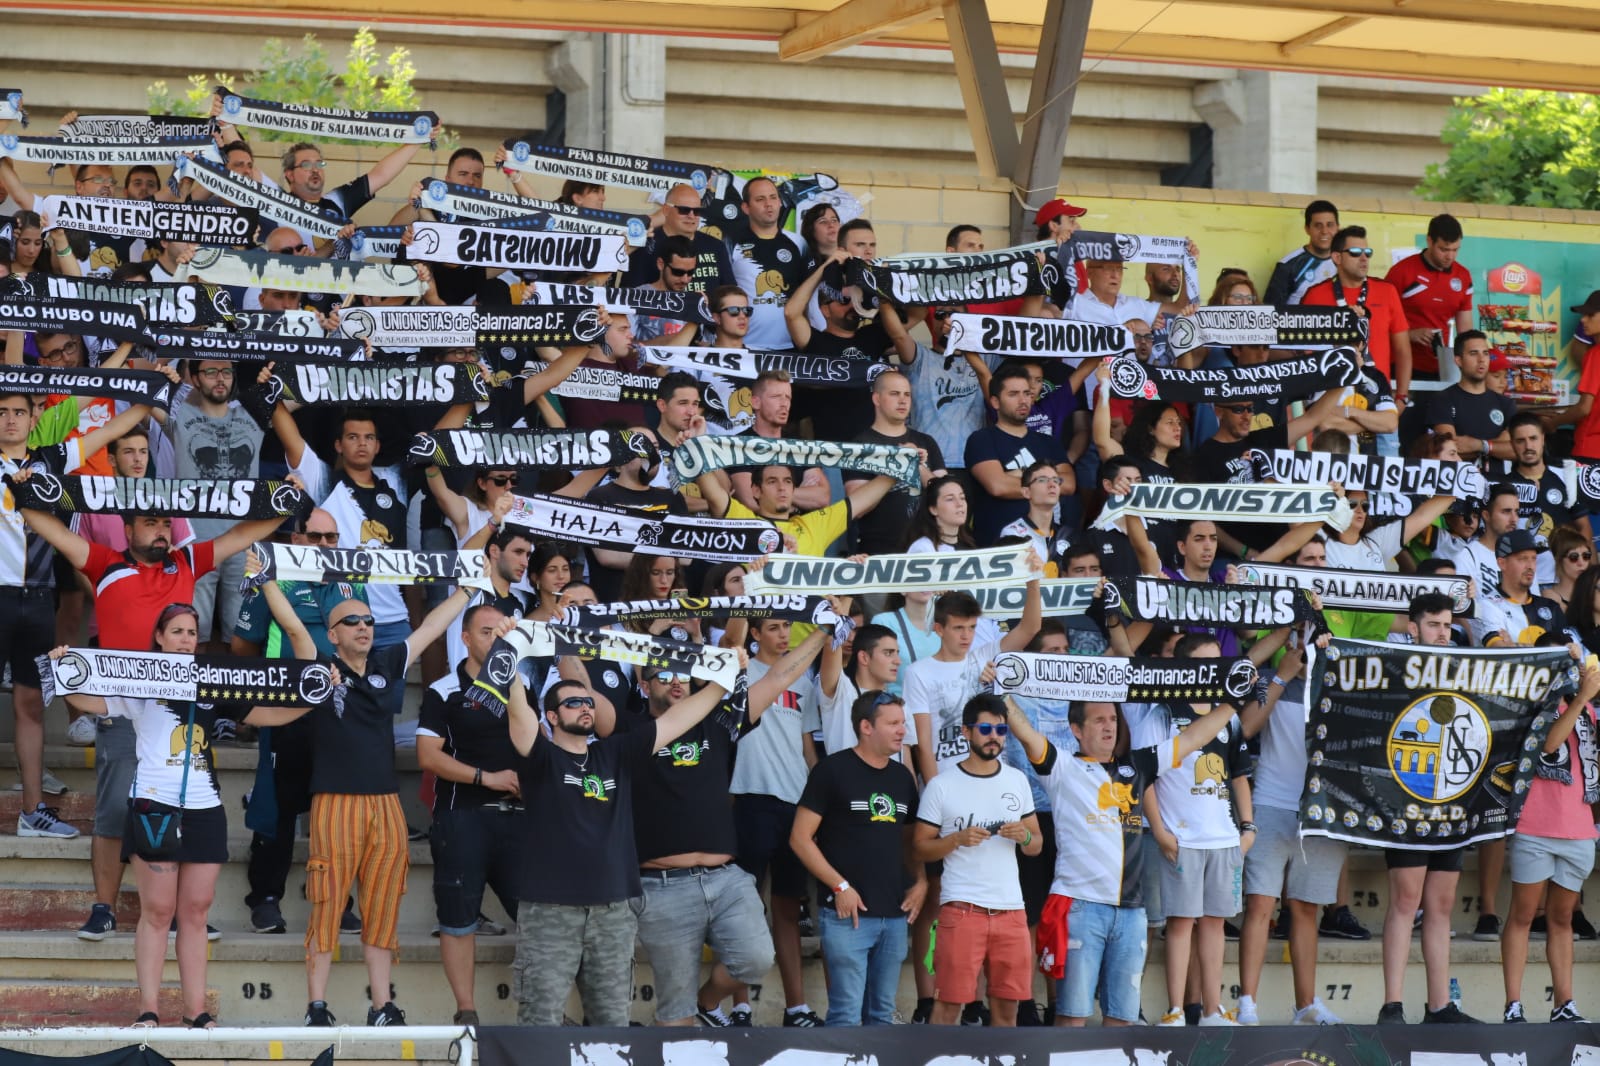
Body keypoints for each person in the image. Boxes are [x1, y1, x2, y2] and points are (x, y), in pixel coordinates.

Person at [51, 602, 325, 1028]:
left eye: (191, 633)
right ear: (159, 637)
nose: (185, 639)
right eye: (176, 631)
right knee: (158, 911)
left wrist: (312, 699)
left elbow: (266, 712)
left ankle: (196, 1011)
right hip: (153, 804)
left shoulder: (213, 681)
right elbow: (90, 701)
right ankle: (148, 1010)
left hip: (205, 807)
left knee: (196, 911)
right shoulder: (141, 678)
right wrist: (61, 671)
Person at [255, 567, 473, 1027]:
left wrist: (470, 588)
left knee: (382, 904)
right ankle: (317, 1006)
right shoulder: (318, 664)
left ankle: (381, 1006)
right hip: (335, 801)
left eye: (369, 621)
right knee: (329, 903)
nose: (363, 627)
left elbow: (432, 627)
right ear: (333, 634)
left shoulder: (387, 664)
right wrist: (265, 579)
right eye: (352, 621)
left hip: (385, 803)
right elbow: (293, 625)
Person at [503, 661, 734, 1027]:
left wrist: (722, 680)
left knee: (612, 1025)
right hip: (550, 911)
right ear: (550, 715)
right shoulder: (541, 758)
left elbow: (677, 721)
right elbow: (518, 711)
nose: (585, 707)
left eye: (589, 701)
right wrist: (510, 661)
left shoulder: (615, 754)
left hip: (613, 911)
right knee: (539, 1020)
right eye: (573, 702)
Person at [1000, 689, 1238, 1027]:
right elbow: (1024, 731)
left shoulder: (1138, 765)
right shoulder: (1061, 767)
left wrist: (1233, 702)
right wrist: (1001, 694)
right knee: (1072, 1017)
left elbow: (1194, 737)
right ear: (1076, 730)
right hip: (1081, 907)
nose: (1109, 727)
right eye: (1098, 720)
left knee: (1123, 1021)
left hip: (1132, 912)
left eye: (1112, 719)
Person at [232, 510, 369, 938]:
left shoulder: (350, 580)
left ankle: (337, 899)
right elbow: (243, 645)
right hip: (285, 709)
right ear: (296, 537)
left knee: (335, 811)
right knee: (278, 807)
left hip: (339, 713)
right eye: (316, 537)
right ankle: (265, 898)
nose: (326, 545)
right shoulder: (271, 578)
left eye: (333, 536)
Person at [1234, 610, 1345, 1025]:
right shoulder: (1266, 677)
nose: (1304, 643)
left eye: (1312, 636)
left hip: (1320, 811)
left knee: (1305, 909)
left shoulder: (1338, 682)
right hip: (1270, 801)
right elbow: (1244, 731)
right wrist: (1281, 676)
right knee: (1260, 904)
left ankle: (1307, 1006)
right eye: (1297, 634)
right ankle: (1247, 1004)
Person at [789, 690, 926, 1027]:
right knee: (845, 1017)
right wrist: (840, 886)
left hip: (894, 915)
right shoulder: (832, 771)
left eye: (903, 723)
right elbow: (800, 839)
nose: (902, 731)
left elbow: (911, 841)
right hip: (846, 914)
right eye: (893, 723)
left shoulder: (902, 777)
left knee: (882, 1016)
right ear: (866, 726)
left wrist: (921, 881)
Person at [1377, 592, 1481, 1024]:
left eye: (1447, 625)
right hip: (1404, 798)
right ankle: (1392, 1006)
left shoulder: (1466, 667)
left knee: (1441, 904)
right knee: (1406, 898)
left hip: (1451, 799)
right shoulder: (1391, 662)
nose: (1442, 632)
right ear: (1413, 625)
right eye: (1434, 624)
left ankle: (1440, 1006)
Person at [415, 604, 521, 1027]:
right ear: (465, 637)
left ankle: (538, 1009)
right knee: (458, 920)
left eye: (501, 634)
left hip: (521, 819)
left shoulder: (521, 682)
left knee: (542, 916)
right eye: (485, 632)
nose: (494, 641)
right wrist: (486, 778)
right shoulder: (444, 689)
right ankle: (467, 1011)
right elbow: (427, 756)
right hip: (463, 817)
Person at [912, 694, 1042, 1027]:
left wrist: (1024, 836)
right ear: (966, 732)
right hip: (962, 910)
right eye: (985, 728)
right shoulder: (941, 785)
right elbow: (920, 848)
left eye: (1001, 730)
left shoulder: (1017, 780)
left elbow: (1036, 844)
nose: (994, 736)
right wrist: (956, 839)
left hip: (1011, 911)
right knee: (947, 1010)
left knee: (1007, 1012)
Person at [726, 621, 831, 1027]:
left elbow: (807, 746)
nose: (784, 634)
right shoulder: (739, 668)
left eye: (787, 626)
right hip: (750, 797)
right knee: (741, 910)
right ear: (755, 634)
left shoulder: (802, 679)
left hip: (795, 803)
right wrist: (751, 586)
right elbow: (731, 639)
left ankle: (796, 1008)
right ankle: (739, 1007)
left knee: (788, 909)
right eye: (773, 628)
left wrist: (820, 802)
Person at [1147, 634, 1254, 1028]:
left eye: (1219, 661)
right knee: (1180, 923)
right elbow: (1146, 777)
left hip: (1224, 840)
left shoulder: (1229, 713)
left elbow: (1239, 776)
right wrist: (1159, 830)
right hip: (1182, 838)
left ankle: (1212, 1010)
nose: (1215, 669)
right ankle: (1175, 1010)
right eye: (1206, 661)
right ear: (1184, 666)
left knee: (1214, 925)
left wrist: (1248, 829)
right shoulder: (1161, 711)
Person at [1501, 648, 1600, 1024]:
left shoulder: (1586, 710)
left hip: (1578, 829)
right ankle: (1513, 1004)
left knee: (1562, 919)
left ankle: (1564, 1003)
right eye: (1571, 663)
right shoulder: (1533, 707)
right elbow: (1549, 745)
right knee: (1524, 915)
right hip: (1536, 826)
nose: (1578, 671)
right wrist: (1583, 700)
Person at [965, 363, 1073, 546]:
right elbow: (997, 486)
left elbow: (1069, 484)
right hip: (999, 549)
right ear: (995, 402)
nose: (1023, 400)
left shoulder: (1048, 442)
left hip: (1049, 546)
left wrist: (1016, 475)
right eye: (1013, 394)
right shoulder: (981, 439)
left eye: (1027, 393)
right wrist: (1047, 483)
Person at [1300, 225, 1410, 398]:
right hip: (1328, 397)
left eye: (1368, 252)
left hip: (1378, 395)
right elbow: (1304, 353)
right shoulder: (1315, 295)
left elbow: (1403, 350)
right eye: (1355, 252)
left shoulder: (1387, 291)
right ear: (1337, 257)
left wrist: (1402, 397)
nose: (1364, 258)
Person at [847, 369, 944, 555]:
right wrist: (897, 465)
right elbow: (856, 509)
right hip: (879, 551)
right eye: (894, 394)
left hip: (927, 547)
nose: (903, 400)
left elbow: (945, 496)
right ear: (876, 399)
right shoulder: (860, 445)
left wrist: (918, 466)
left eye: (907, 394)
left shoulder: (926, 441)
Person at [1384, 214, 1474, 385]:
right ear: (1429, 241)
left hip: (1444, 367)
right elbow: (1379, 321)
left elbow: (1466, 331)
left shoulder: (1463, 276)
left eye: (1455, 250)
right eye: (1444, 249)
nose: (1450, 256)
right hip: (1402, 363)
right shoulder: (1402, 272)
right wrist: (1410, 334)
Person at [1504, 412, 1590, 588]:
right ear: (1512, 444)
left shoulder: (1566, 476)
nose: (1528, 446)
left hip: (1564, 581)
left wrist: (1587, 576)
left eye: (1533, 438)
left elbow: (1584, 527)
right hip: (1524, 582)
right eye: (1520, 441)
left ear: (1543, 439)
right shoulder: (1504, 486)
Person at [725, 176, 807, 349]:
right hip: (747, 345)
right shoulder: (731, 243)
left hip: (791, 346)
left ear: (779, 202)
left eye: (773, 197)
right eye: (760, 199)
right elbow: (721, 293)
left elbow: (809, 295)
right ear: (746, 207)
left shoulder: (798, 243)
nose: (768, 204)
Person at [623, 182, 735, 292]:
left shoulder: (716, 245)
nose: (691, 216)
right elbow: (630, 294)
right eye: (684, 210)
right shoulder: (644, 245)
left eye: (697, 211)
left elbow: (729, 293)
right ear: (666, 210)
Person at [1427, 331, 1516, 463]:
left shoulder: (1505, 404)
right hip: (1459, 480)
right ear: (1458, 360)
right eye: (1473, 353)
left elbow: (1517, 451)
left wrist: (1479, 445)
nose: (1481, 359)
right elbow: (1450, 450)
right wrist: (1497, 446)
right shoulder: (1442, 399)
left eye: (1485, 353)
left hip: (1498, 482)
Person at [1262, 199, 1339, 306]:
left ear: (1337, 228)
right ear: (1307, 229)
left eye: (1329, 225)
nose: (1324, 231)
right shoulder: (1288, 265)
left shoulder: (1346, 262)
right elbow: (1271, 311)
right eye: (1318, 225)